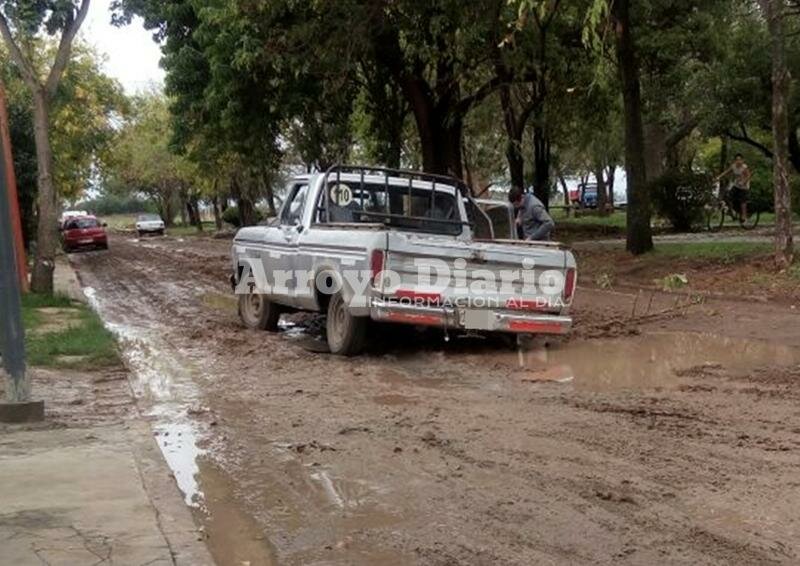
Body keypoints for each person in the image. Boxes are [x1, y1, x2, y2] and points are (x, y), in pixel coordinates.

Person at [716, 153, 752, 223]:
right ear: (735, 161)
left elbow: (748, 176)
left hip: (744, 186)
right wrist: (719, 177)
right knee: (729, 196)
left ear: (743, 160)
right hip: (736, 185)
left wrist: (743, 182)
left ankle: (744, 216)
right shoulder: (734, 166)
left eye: (740, 160)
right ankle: (731, 210)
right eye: (737, 160)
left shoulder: (744, 168)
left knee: (743, 201)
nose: (738, 161)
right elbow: (726, 172)